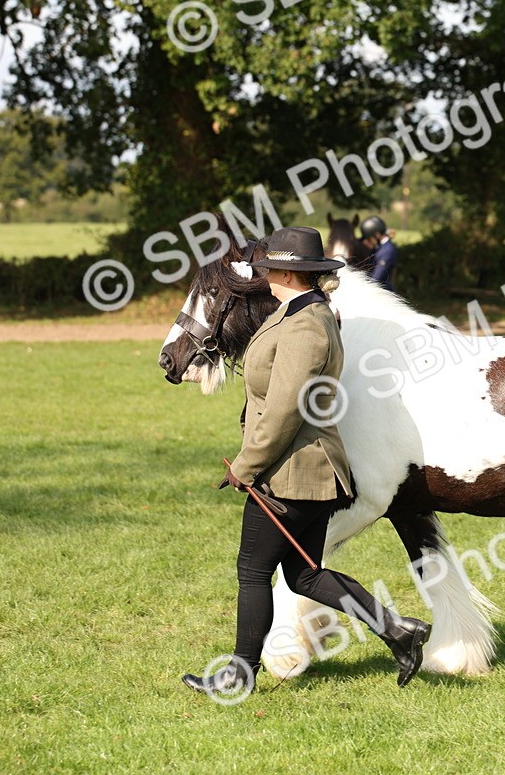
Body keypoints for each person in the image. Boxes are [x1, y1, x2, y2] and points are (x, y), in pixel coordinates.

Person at [182, 226, 430, 696]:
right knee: (305, 575)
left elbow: (285, 408)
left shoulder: (306, 325)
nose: (263, 276)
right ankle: (399, 631)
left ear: (286, 274)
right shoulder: (299, 312)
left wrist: (246, 466)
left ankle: (238, 674)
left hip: (293, 472)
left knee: (253, 571)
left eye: (268, 269)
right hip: (304, 469)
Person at [360, 214, 397, 291]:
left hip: (383, 293)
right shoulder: (380, 248)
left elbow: (376, 278)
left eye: (369, 238)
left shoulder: (387, 251)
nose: (368, 242)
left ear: (377, 235)